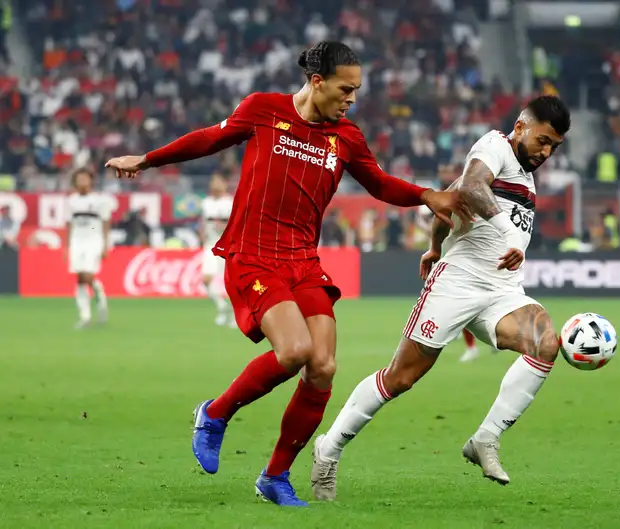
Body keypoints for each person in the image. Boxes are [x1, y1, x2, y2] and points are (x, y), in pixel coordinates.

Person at [104, 41, 470, 507]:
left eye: (356, 90)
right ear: (317, 82)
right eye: (345, 88)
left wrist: (425, 195)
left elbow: (378, 183)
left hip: (303, 261)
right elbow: (208, 138)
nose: (351, 98)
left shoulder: (346, 137)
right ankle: (214, 414)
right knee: (295, 350)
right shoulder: (263, 110)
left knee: (323, 367)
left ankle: (275, 476)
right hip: (253, 254)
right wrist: (148, 159)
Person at [311, 95, 571, 501]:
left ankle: (485, 439)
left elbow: (451, 196)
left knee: (545, 344)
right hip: (460, 282)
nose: (546, 151)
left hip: (502, 290)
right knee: (401, 377)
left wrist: (434, 245)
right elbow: (468, 185)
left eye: (554, 146)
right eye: (543, 140)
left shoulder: (525, 174)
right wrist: (500, 236)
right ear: (521, 126)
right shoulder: (495, 146)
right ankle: (328, 450)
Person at [64, 168, 111, 329]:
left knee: (87, 275)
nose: (82, 181)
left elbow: (105, 223)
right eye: (79, 179)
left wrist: (105, 244)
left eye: (85, 178)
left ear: (91, 180)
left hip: (94, 239)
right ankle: (85, 316)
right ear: (75, 182)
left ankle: (100, 298)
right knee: (80, 277)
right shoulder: (71, 201)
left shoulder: (99, 200)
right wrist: (66, 247)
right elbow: (68, 225)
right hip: (77, 240)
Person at [200, 173, 234, 326]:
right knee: (206, 280)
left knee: (231, 283)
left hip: (226, 245)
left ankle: (235, 315)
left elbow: (234, 222)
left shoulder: (229, 202)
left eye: (218, 183)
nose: (215, 186)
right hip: (210, 245)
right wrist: (202, 234)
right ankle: (221, 306)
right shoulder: (206, 202)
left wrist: (224, 226)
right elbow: (203, 220)